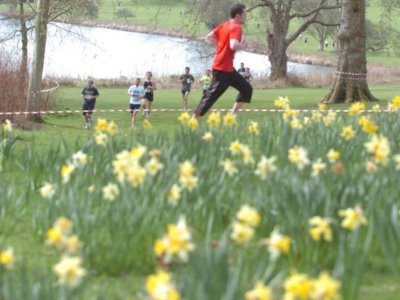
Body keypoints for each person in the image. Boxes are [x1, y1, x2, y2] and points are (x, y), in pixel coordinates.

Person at [192, 3, 252, 118]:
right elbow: (233, 45)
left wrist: (220, 47)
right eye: (244, 14)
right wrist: (242, 47)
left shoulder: (225, 25)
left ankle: (232, 115)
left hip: (228, 70)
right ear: (238, 15)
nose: (246, 16)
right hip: (222, 70)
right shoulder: (236, 27)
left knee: (246, 89)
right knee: (209, 98)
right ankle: (192, 121)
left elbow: (209, 36)